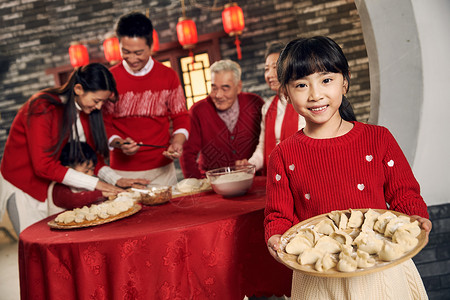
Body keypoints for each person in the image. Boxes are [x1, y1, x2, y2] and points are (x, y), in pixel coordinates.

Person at [264, 36, 431, 299]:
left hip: (381, 269)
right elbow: (279, 216)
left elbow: (404, 194)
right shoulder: (283, 155)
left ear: (345, 81)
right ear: (285, 92)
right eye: (301, 84)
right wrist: (275, 236)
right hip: (317, 278)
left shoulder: (378, 139)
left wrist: (416, 217)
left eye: (326, 80)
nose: (315, 94)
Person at [0, 63, 148, 234]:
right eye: (96, 100)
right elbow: (43, 165)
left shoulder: (85, 112)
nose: (99, 107)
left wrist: (116, 180)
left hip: (50, 186)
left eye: (103, 102)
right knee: (32, 243)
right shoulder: (43, 106)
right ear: (78, 89)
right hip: (23, 185)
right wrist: (98, 185)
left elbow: (91, 159)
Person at [102, 11, 190, 186]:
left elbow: (181, 116)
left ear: (151, 47)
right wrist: (119, 143)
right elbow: (104, 123)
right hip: (122, 173)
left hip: (162, 171)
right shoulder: (109, 79)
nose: (132, 59)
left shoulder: (168, 76)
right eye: (126, 51)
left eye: (138, 52)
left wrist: (177, 142)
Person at [181, 59, 264, 178]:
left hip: (253, 179)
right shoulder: (198, 111)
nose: (218, 95)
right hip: (212, 184)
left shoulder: (255, 103)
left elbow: (267, 144)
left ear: (238, 87)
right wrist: (197, 185)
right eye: (214, 88)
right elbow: (187, 155)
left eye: (225, 88)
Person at [236, 42, 306, 174]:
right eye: (266, 69)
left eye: (275, 67)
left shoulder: (304, 101)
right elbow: (263, 147)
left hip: (303, 173)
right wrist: (249, 165)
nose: (269, 74)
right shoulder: (268, 107)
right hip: (276, 175)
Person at [47, 142, 116, 213]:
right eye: (86, 171)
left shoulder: (86, 183)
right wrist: (101, 194)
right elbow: (74, 201)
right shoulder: (59, 185)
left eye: (92, 169)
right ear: (68, 170)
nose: (91, 174)